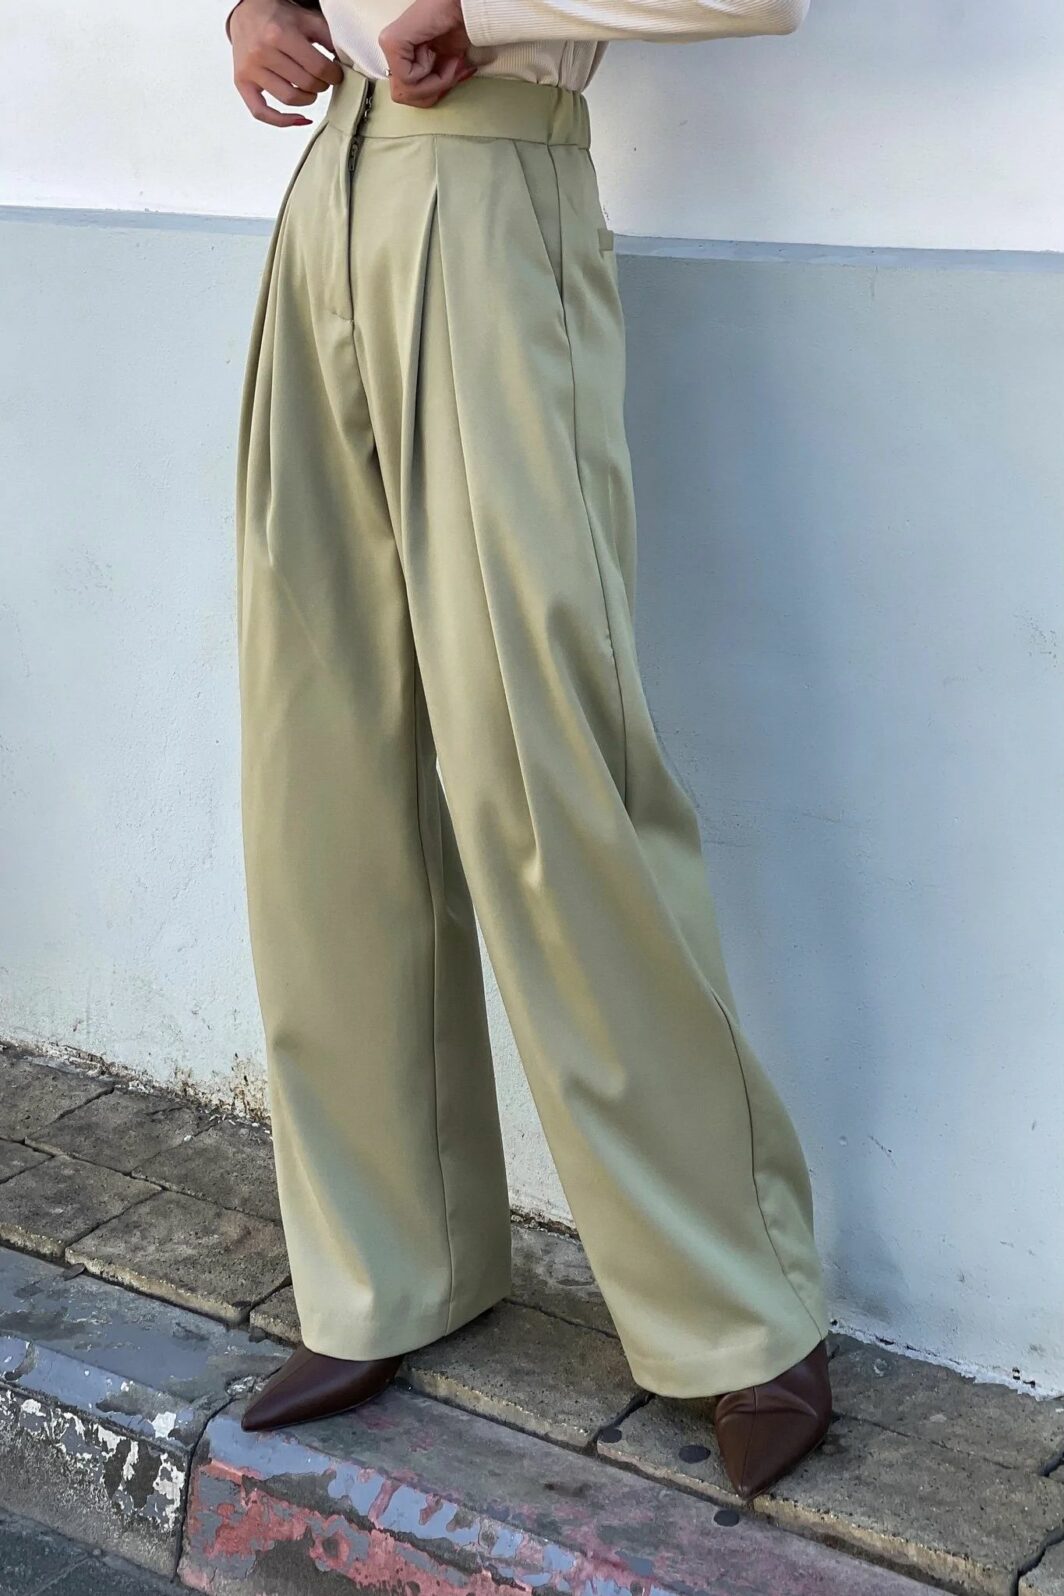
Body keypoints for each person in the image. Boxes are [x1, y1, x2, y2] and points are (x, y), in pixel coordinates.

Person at [225, 0, 832, 1499]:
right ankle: (388, 1270)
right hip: (328, 196)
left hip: (493, 186)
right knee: (321, 770)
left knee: (546, 768)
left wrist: (469, 11)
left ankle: (736, 1308)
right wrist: (256, 12)